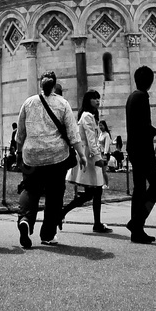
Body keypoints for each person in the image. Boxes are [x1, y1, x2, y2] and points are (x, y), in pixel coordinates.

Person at [15, 71, 86, 248]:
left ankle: (25, 220)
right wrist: (82, 155)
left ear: (41, 84)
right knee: (55, 195)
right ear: (54, 86)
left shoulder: (28, 102)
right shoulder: (62, 104)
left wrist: (18, 152)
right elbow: (73, 134)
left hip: (31, 157)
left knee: (30, 190)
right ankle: (47, 234)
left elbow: (20, 133)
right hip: (57, 158)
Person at [61, 90, 112, 233]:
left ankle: (95, 222)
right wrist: (98, 158)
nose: (97, 101)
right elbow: (91, 140)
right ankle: (63, 213)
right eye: (94, 98)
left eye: (98, 98)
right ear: (88, 100)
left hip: (88, 156)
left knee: (95, 192)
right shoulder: (88, 116)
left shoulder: (88, 116)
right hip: (89, 158)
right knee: (94, 192)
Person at [125, 65, 156, 243]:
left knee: (139, 189)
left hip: (133, 148)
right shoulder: (142, 97)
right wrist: (152, 132)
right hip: (143, 150)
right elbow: (143, 126)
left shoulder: (131, 97)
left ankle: (137, 231)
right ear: (150, 81)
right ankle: (137, 222)